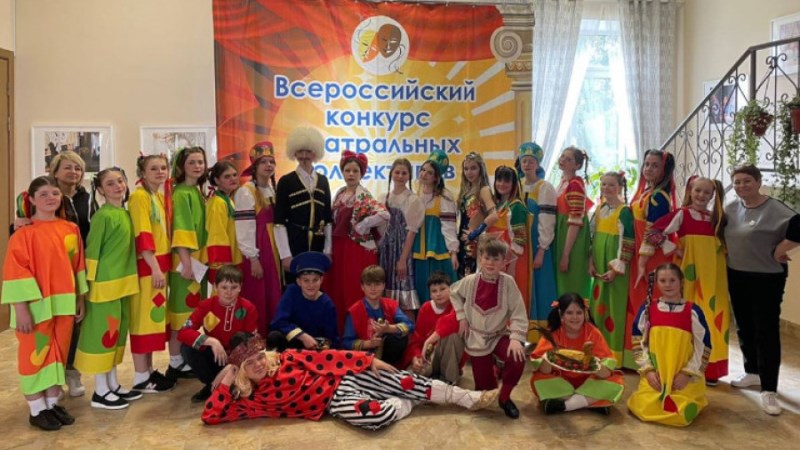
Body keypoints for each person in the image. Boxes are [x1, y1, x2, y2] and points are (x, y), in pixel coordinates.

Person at [201, 333, 499, 429]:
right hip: (332, 403)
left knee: (404, 381)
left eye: (259, 357)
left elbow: (328, 358)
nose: (258, 364)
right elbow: (210, 415)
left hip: (342, 378)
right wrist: (226, 379)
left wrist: (368, 361)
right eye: (249, 363)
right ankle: (409, 402)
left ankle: (468, 398)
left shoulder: (288, 357)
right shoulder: (250, 401)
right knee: (374, 417)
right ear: (241, 370)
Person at [2, 176, 88, 430]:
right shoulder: (23, 234)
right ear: (31, 199)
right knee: (35, 354)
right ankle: (36, 408)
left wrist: (80, 298)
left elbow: (77, 265)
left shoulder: (70, 229)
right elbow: (15, 272)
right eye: (43, 194)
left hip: (64, 304)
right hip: (34, 307)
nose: (51, 198)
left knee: (58, 353)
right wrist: (21, 309)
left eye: (55, 193)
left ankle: (51, 404)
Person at [724, 164, 800, 415]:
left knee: (765, 330)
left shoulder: (775, 209)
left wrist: (781, 249)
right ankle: (752, 372)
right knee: (743, 326)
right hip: (737, 274)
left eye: (747, 181)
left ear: (758, 182)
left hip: (767, 278)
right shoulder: (731, 208)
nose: (741, 186)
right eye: (737, 182)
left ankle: (769, 389)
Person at [15, 150, 93, 397]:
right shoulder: (35, 207)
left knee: (71, 330)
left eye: (78, 168)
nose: (73, 172)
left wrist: (82, 289)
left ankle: (67, 375)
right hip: (43, 280)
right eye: (68, 167)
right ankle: (42, 394)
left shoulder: (87, 199)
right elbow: (20, 245)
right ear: (55, 171)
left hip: (74, 273)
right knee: (41, 338)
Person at [649, 176, 729, 385]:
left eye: (706, 192)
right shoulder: (682, 214)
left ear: (713, 195)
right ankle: (683, 365)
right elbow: (654, 232)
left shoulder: (717, 218)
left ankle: (710, 368)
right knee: (689, 315)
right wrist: (673, 248)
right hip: (690, 274)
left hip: (713, 275)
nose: (701, 195)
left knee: (712, 315)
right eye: (697, 191)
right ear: (690, 192)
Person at [74, 168, 142, 409]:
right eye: (110, 183)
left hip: (123, 285)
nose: (117, 186)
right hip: (103, 288)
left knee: (116, 336)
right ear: (101, 190)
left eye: (120, 181)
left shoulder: (125, 213)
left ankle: (112, 383)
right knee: (102, 337)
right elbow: (92, 252)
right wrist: (85, 290)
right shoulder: (102, 216)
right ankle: (100, 390)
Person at [448, 235, 527, 419]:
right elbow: (453, 293)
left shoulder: (508, 283)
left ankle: (505, 398)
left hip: (498, 335)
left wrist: (516, 339)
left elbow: (518, 312)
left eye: (496, 259)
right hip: (476, 338)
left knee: (517, 357)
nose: (491, 263)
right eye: (487, 258)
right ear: (480, 259)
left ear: (504, 262)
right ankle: (494, 375)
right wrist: (461, 316)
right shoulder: (470, 281)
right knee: (485, 390)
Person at [627, 263, 711, 427]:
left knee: (681, 412)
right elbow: (638, 342)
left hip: (681, 375)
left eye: (672, 280)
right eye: (663, 280)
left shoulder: (693, 311)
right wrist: (648, 370)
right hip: (657, 375)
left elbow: (703, 346)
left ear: (681, 282)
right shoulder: (648, 309)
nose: (668, 285)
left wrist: (687, 373)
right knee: (643, 407)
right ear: (657, 283)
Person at [529, 293, 625, 415]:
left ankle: (566, 405)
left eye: (579, 313)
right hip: (560, 380)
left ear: (585, 313)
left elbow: (605, 374)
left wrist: (593, 364)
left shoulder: (593, 333)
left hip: (588, 381)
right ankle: (589, 401)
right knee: (538, 380)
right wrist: (549, 356)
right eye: (569, 313)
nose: (575, 317)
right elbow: (545, 371)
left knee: (616, 382)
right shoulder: (552, 333)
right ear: (561, 314)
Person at [325, 150, 389, 330]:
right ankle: (340, 332)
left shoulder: (364, 195)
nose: (351, 174)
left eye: (355, 171)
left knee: (353, 288)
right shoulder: (339, 193)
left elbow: (385, 214)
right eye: (347, 170)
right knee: (339, 288)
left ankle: (358, 331)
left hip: (356, 249)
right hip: (339, 247)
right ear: (342, 172)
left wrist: (364, 225)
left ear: (361, 174)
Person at [128, 154, 174, 393]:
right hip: (149, 268)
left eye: (163, 167)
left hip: (159, 266)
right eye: (153, 168)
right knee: (143, 321)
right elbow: (143, 234)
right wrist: (155, 267)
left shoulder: (156, 195)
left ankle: (148, 370)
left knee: (153, 320)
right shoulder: (139, 197)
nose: (160, 172)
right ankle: (140, 376)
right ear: (143, 173)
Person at [625, 149, 676, 369]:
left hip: (651, 257)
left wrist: (642, 263)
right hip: (640, 253)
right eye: (646, 164)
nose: (648, 169)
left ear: (664, 170)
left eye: (655, 165)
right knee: (639, 302)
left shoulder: (659, 197)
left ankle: (651, 356)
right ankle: (635, 354)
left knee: (648, 302)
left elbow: (654, 232)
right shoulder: (648, 192)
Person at [177, 265, 258, 403]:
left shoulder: (248, 308)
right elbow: (183, 332)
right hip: (216, 356)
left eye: (234, 287)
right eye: (224, 287)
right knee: (187, 348)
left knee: (242, 338)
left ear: (240, 287)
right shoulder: (205, 306)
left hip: (239, 360)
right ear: (215, 287)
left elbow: (251, 344)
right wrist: (212, 341)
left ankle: (234, 383)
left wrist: (232, 365)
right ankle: (212, 385)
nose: (229, 292)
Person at [167, 146, 209, 381]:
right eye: (192, 162)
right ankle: (175, 361)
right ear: (182, 166)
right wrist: (186, 263)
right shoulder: (182, 193)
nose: (197, 166)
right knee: (181, 313)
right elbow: (181, 230)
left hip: (197, 263)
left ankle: (184, 358)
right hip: (186, 264)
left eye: (200, 162)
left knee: (192, 312)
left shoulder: (196, 191)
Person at [234, 141, 283, 336]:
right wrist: (253, 258)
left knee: (272, 293)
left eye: (271, 161)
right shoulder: (246, 192)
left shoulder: (271, 189)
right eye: (263, 162)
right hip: (258, 249)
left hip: (273, 249)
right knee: (257, 295)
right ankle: (255, 338)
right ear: (255, 166)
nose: (268, 165)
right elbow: (244, 229)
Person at [274, 126, 332, 286]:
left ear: (316, 153)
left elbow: (328, 220)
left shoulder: (323, 181)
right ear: (294, 153)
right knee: (293, 287)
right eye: (300, 151)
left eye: (308, 151)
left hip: (318, 246)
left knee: (316, 287)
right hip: (294, 244)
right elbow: (279, 222)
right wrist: (285, 255)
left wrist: (328, 251)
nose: (304, 156)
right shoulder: (285, 181)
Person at [588, 171, 634, 367]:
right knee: (598, 306)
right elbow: (591, 239)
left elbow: (627, 242)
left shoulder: (624, 211)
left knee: (614, 308)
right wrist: (591, 262)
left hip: (616, 270)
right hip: (599, 267)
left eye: (611, 185)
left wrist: (616, 269)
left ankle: (614, 355)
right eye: (604, 184)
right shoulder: (599, 210)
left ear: (620, 187)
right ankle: (597, 349)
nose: (606, 188)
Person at [517, 142, 558, 341]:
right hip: (520, 244)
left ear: (537, 164)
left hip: (537, 244)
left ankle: (540, 335)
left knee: (540, 287)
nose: (527, 164)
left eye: (531, 161)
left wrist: (542, 249)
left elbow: (547, 220)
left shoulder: (544, 187)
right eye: (524, 161)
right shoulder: (517, 184)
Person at [379, 158, 424, 320]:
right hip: (386, 250)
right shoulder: (384, 197)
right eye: (397, 172)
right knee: (385, 296)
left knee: (405, 296)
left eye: (404, 173)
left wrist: (403, 259)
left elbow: (412, 231)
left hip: (402, 249)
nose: (400, 176)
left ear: (409, 176)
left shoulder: (412, 199)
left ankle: (409, 333)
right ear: (391, 173)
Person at [342, 265, 414, 367]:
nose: (373, 288)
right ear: (362, 286)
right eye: (369, 284)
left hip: (390, 358)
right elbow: (346, 342)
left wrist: (389, 329)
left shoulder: (391, 305)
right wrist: (369, 343)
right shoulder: (354, 311)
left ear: (383, 285)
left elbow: (410, 325)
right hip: (364, 360)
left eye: (377, 284)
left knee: (399, 339)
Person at [268, 252, 339, 351]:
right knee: (274, 336)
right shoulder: (291, 292)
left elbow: (332, 339)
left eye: (315, 280)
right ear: (298, 281)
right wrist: (302, 336)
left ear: (321, 280)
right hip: (291, 345)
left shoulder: (327, 304)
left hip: (315, 349)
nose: (311, 285)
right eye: (306, 280)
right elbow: (278, 322)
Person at [402, 271, 465, 384]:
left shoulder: (457, 305)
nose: (438, 294)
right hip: (429, 356)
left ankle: (448, 380)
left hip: (448, 356)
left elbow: (449, 323)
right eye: (434, 291)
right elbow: (416, 340)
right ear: (430, 294)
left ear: (451, 289)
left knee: (452, 335)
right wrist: (416, 357)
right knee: (411, 378)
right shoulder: (425, 308)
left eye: (442, 289)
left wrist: (429, 340)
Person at [413, 149, 458, 303]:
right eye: (423, 170)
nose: (424, 174)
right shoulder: (415, 195)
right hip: (418, 252)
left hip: (437, 251)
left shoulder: (444, 197)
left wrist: (453, 252)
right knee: (420, 288)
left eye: (429, 172)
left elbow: (449, 227)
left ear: (436, 178)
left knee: (439, 290)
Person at [554, 146, 592, 299]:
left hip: (571, 238)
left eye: (568, 159)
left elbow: (575, 221)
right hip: (562, 233)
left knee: (571, 279)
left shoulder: (575, 185)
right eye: (563, 156)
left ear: (577, 165)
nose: (563, 160)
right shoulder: (564, 182)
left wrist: (566, 254)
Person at [456, 152, 498, 277]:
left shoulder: (484, 190)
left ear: (481, 169)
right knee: (462, 279)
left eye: (473, 168)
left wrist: (475, 233)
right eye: (466, 169)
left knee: (471, 278)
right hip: (462, 240)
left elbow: (494, 215)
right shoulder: (465, 191)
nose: (469, 172)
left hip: (474, 242)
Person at [487, 165, 529, 283]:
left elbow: (520, 240)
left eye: (506, 181)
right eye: (499, 180)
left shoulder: (516, 207)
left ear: (514, 183)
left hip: (510, 261)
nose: (502, 184)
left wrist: (512, 266)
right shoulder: (496, 204)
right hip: (495, 257)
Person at [206, 160, 242, 285]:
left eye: (234, 175)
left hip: (232, 259)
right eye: (227, 176)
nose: (233, 179)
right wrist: (226, 264)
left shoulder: (228, 200)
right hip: (223, 263)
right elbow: (217, 235)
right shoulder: (217, 202)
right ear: (217, 180)